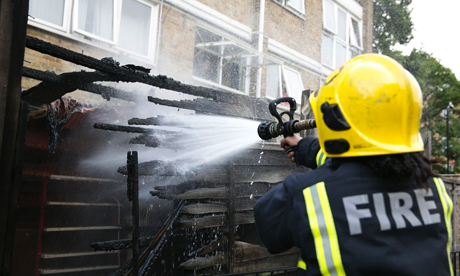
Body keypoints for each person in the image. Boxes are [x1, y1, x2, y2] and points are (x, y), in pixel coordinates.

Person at [254, 54, 453, 276]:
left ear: (333, 121)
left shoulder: (306, 195)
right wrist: (303, 147)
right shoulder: (436, 189)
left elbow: (268, 231)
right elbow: (361, 166)